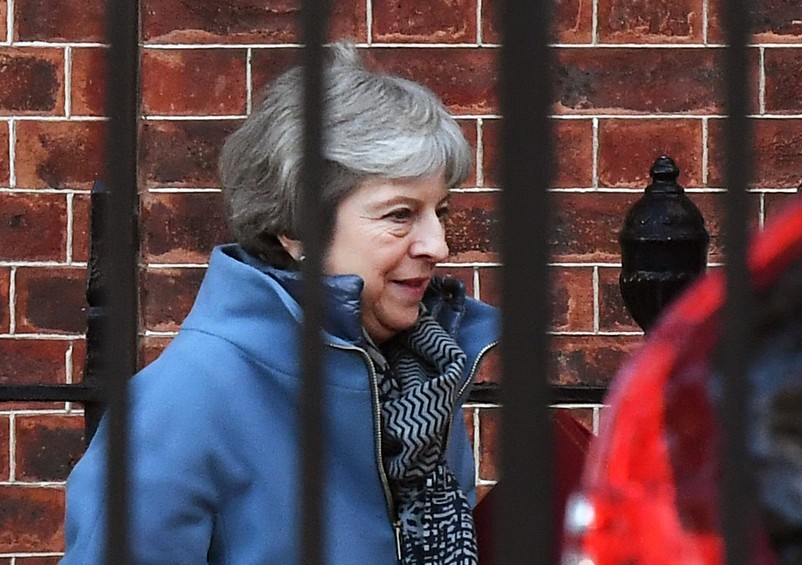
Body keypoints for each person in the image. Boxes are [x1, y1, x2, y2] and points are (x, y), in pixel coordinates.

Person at [61, 42, 499, 564]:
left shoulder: (421, 381)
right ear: (295, 229)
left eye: (440, 211)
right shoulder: (182, 404)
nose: (437, 245)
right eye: (399, 214)